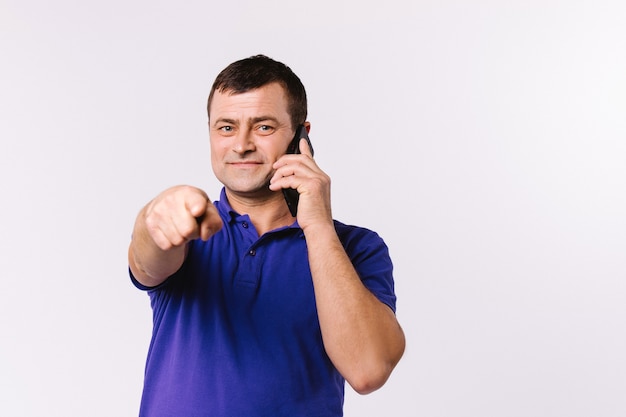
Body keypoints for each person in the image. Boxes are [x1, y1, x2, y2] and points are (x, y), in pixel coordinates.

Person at [127, 54, 405, 416]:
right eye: (226, 127)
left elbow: (368, 370)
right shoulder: (188, 227)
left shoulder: (357, 247)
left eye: (263, 127)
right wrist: (155, 217)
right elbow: (146, 260)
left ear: (301, 137)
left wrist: (318, 226)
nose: (241, 144)